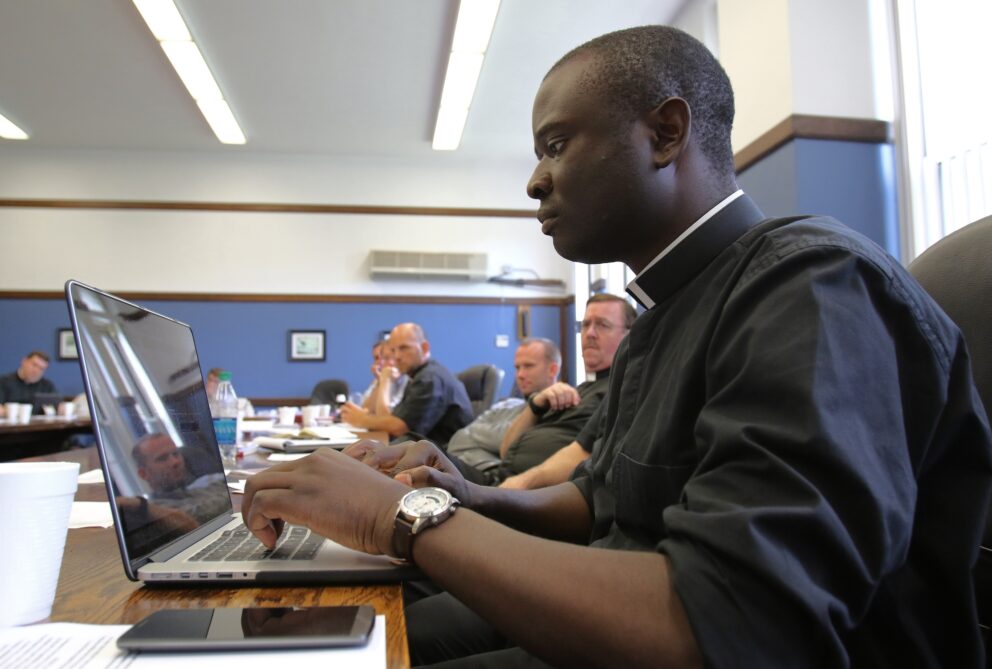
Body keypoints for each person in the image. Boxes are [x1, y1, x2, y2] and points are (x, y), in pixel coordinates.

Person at [242, 25, 992, 667]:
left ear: (666, 133)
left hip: (691, 637)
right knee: (340, 636)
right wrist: (467, 494)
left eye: (556, 145)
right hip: (627, 602)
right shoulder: (662, 314)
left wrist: (400, 519)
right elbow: (604, 502)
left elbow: (731, 620)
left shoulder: (812, 287)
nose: (535, 180)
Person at [451, 296, 632, 485]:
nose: (590, 333)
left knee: (429, 463)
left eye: (603, 325)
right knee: (423, 452)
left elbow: (586, 457)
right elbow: (507, 450)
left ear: (629, 335)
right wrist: (535, 406)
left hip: (526, 493)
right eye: (585, 325)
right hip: (504, 480)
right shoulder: (576, 392)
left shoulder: (622, 393)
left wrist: (521, 484)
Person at [339, 323, 473, 447]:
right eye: (393, 350)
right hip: (426, 456)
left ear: (424, 348)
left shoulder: (430, 378)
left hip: (443, 462)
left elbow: (400, 428)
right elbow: (393, 418)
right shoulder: (418, 376)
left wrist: (361, 419)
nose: (396, 356)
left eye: (404, 348)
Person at [446, 337, 561, 476]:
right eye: (517, 367)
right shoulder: (507, 405)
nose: (520, 375)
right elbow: (458, 439)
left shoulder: (560, 412)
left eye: (529, 366)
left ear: (553, 370)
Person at [0, 351, 57, 416]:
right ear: (24, 361)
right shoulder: (1, 382)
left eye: (41, 369)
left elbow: (54, 407)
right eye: (34, 365)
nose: (36, 371)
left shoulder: (47, 385)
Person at [361, 339, 408, 415]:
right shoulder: (380, 379)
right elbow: (366, 409)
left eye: (387, 358)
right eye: (377, 358)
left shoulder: (408, 380)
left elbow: (387, 416)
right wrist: (380, 382)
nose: (381, 363)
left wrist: (384, 381)